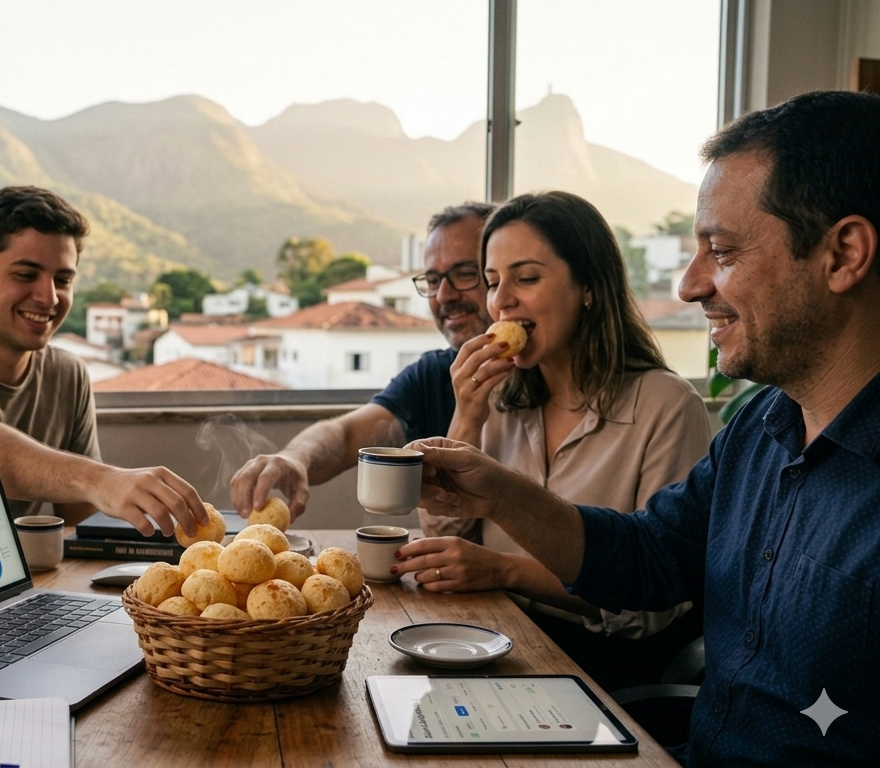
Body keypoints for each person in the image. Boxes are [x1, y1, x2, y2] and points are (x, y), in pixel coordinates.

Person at [412, 90, 880, 764]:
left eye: (720, 251)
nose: (689, 285)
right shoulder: (755, 433)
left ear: (842, 255)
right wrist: (495, 491)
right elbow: (647, 557)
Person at [395, 191, 712, 692]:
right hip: (490, 640)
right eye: (494, 282)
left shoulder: (666, 406)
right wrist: (468, 414)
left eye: (526, 278)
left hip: (604, 668)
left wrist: (504, 571)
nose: (501, 301)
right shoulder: (501, 403)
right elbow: (446, 527)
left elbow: (650, 607)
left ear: (588, 286)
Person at [0, 185, 207, 535]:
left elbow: (80, 523)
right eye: (26, 275)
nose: (48, 297)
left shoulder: (68, 375)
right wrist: (101, 479)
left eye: (63, 279)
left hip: (14, 576)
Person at [229, 202, 495, 519]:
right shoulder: (433, 373)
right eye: (434, 281)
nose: (444, 296)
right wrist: (294, 458)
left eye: (465, 274)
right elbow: (344, 436)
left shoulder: (548, 375)